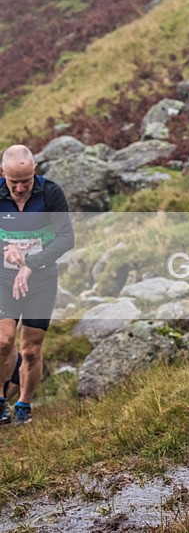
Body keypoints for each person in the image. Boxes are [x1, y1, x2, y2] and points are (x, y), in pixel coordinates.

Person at [0, 145, 74, 425]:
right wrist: (5, 248)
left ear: (35, 170)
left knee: (30, 349)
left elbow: (66, 237)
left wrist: (31, 263)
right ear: (2, 173)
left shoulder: (51, 194)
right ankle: (0, 401)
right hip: (3, 278)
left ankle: (24, 404)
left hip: (41, 280)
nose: (20, 189)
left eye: (26, 181)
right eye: (13, 182)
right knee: (3, 341)